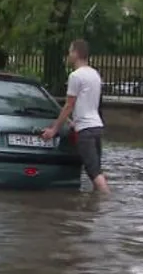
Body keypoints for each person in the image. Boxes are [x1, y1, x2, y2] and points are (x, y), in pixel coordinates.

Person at [42, 38, 110, 194]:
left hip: (85, 130)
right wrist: (74, 122)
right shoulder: (95, 74)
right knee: (97, 168)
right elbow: (91, 103)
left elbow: (68, 105)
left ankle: (107, 203)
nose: (68, 54)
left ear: (76, 53)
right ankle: (97, 207)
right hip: (97, 126)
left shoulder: (75, 76)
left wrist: (53, 130)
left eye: (70, 51)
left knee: (93, 171)